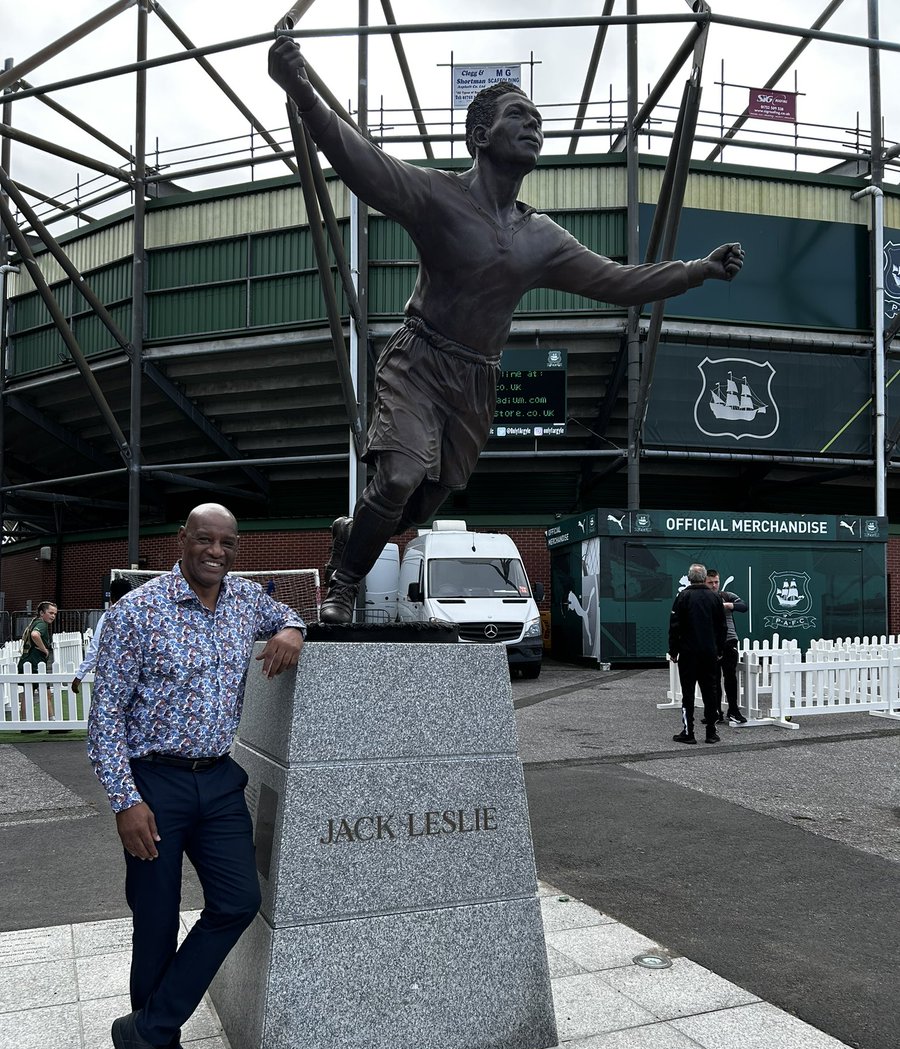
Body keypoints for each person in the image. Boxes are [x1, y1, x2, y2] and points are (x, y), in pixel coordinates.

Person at [268, 38, 746, 624]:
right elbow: (361, 164)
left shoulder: (541, 237)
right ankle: (343, 585)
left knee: (419, 499)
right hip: (420, 360)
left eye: (538, 120)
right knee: (397, 475)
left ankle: (354, 534)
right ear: (480, 137)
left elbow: (619, 282)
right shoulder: (437, 195)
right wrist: (301, 92)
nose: (533, 126)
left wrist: (698, 269)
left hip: (476, 379)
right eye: (518, 116)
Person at [87, 504, 305, 1049]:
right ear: (181, 541)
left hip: (217, 781)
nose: (216, 551)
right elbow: (104, 715)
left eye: (227, 542)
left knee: (238, 900)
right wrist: (125, 800)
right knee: (154, 926)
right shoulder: (138, 613)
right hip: (153, 785)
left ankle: (146, 1031)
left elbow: (288, 615)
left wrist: (291, 630)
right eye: (203, 539)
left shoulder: (244, 601)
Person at [668, 563, 726, 746]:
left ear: (689, 577)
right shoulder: (715, 597)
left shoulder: (683, 597)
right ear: (703, 578)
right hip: (709, 652)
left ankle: (688, 732)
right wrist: (719, 650)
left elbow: (674, 626)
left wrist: (674, 650)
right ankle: (711, 732)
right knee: (710, 692)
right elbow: (722, 627)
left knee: (688, 693)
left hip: (688, 652)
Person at [71, 578, 132, 695]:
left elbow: (96, 647)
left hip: (115, 676)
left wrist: (80, 675)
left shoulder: (109, 616)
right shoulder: (143, 614)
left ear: (112, 597)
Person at [705, 568, 749, 724]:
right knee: (713, 679)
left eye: (716, 582)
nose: (714, 585)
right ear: (704, 582)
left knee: (730, 677)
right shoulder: (702, 598)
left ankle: (733, 710)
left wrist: (728, 605)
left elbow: (744, 606)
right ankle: (715, 712)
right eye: (710, 582)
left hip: (729, 641)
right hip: (710, 642)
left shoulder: (726, 595)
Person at [18, 600, 58, 721]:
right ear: (41, 613)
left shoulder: (34, 622)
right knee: (46, 693)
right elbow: (35, 635)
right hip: (35, 663)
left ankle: (25, 722)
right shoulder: (41, 624)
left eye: (55, 614)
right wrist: (44, 649)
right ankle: (52, 721)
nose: (53, 616)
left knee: (28, 692)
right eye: (50, 612)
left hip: (27, 661)